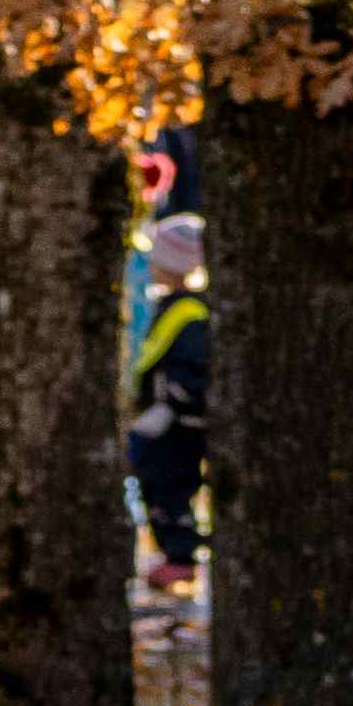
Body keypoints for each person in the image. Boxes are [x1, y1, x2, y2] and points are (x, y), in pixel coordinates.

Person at [128, 211, 212, 592]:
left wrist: (172, 405)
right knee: (160, 485)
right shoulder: (176, 305)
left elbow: (189, 369)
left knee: (169, 488)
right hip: (165, 417)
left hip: (177, 423)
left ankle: (180, 557)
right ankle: (176, 554)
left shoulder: (191, 312)